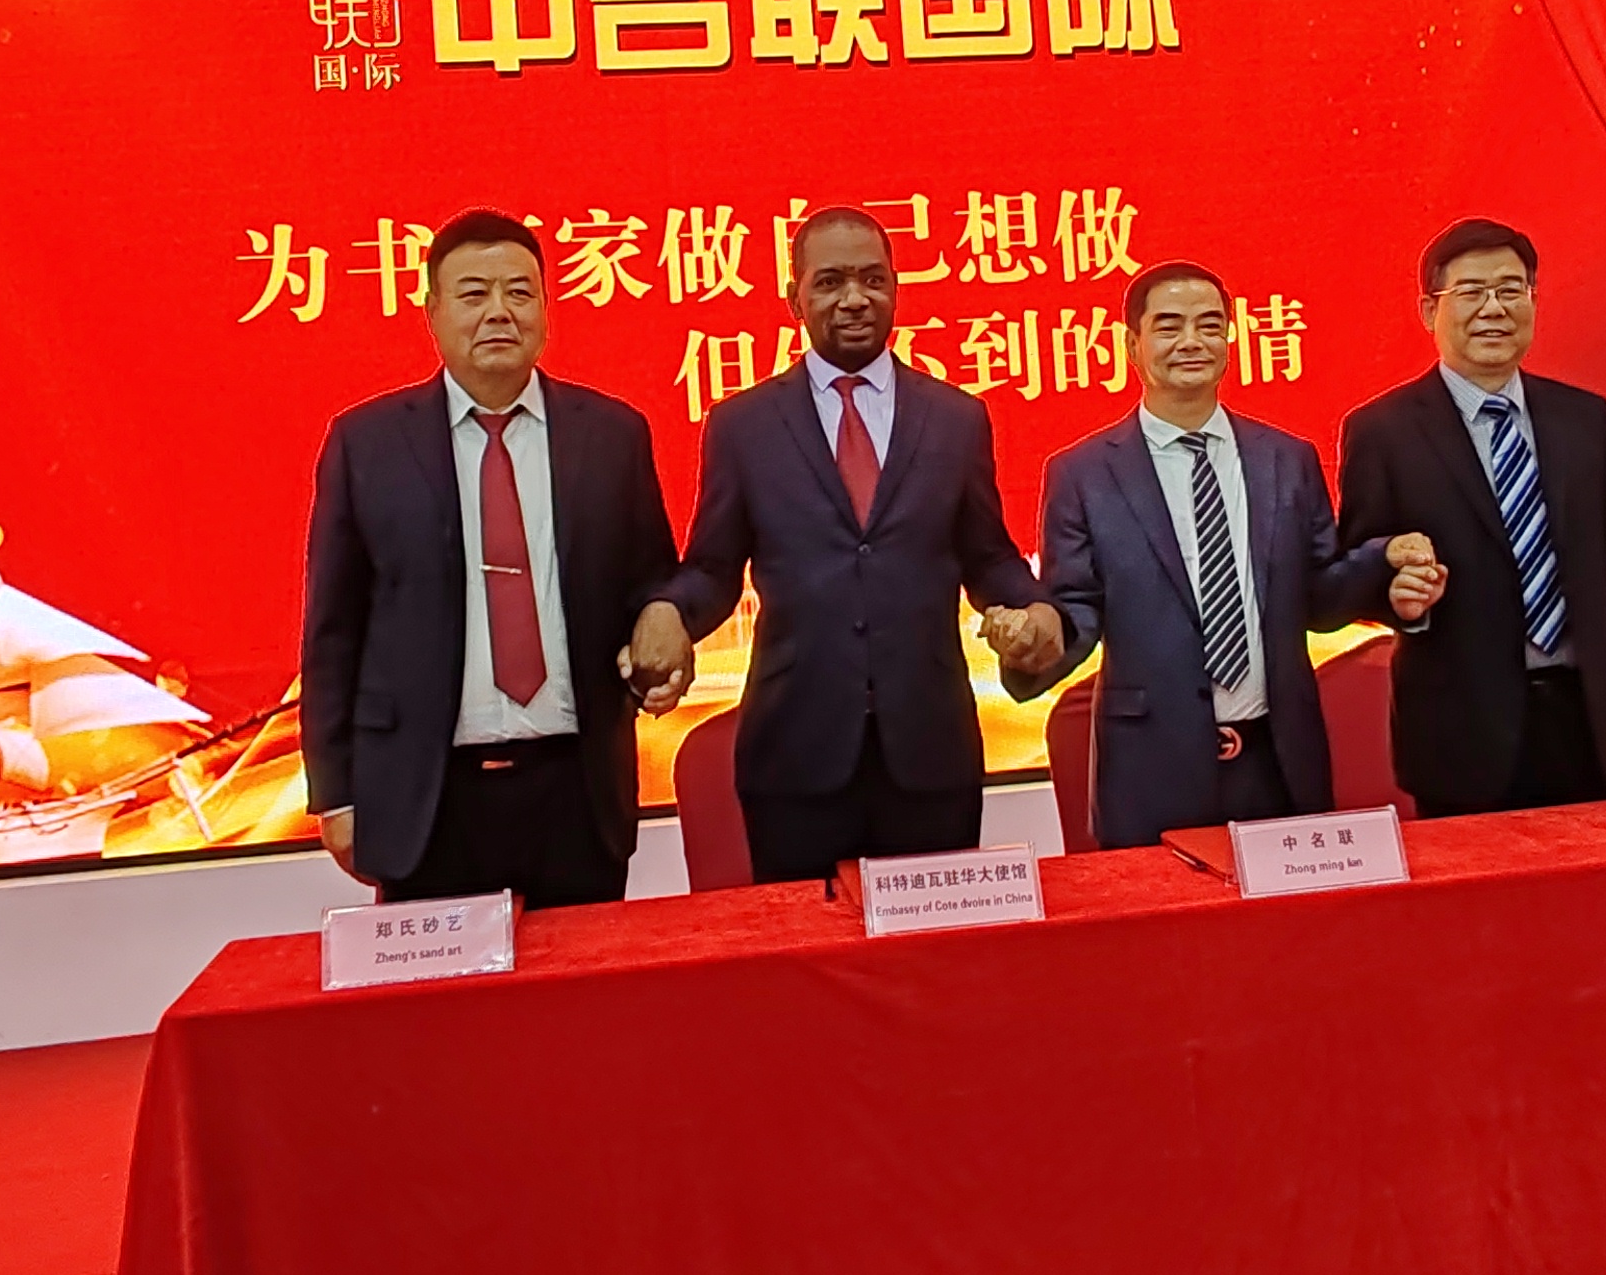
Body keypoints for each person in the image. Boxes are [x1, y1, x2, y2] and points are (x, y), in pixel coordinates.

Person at [628, 206, 1061, 885]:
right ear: (794, 296)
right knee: (806, 946)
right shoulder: (743, 425)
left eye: (872, 279)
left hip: (931, 750)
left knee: (934, 945)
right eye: (830, 282)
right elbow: (712, 568)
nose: (855, 298)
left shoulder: (956, 417)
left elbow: (988, 557)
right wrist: (668, 612)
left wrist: (1035, 608)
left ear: (896, 287)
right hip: (794, 756)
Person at [300, 209, 680, 906]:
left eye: (520, 292)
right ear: (433, 312)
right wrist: (335, 794)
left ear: (546, 309)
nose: (499, 312)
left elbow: (652, 584)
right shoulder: (367, 444)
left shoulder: (611, 435)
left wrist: (661, 646)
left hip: (575, 788)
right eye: (474, 294)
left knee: (583, 976)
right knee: (439, 983)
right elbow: (333, 630)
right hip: (428, 795)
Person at [1003, 261, 1448, 849]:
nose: (1192, 341)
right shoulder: (1082, 474)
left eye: (1210, 325)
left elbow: (1318, 594)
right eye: (1169, 326)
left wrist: (1382, 566)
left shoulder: (1287, 459)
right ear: (1132, 345)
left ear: (1230, 339)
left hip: (1278, 757)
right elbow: (1076, 608)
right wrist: (1032, 646)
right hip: (1151, 767)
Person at [1337, 217, 1606, 814]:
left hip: (1585, 720)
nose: (1492, 309)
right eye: (1471, 292)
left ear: (1533, 302)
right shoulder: (1382, 432)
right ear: (1429, 310)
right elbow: (1356, 571)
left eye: (1510, 290)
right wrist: (1400, 593)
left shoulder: (1585, 420)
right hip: (1459, 734)